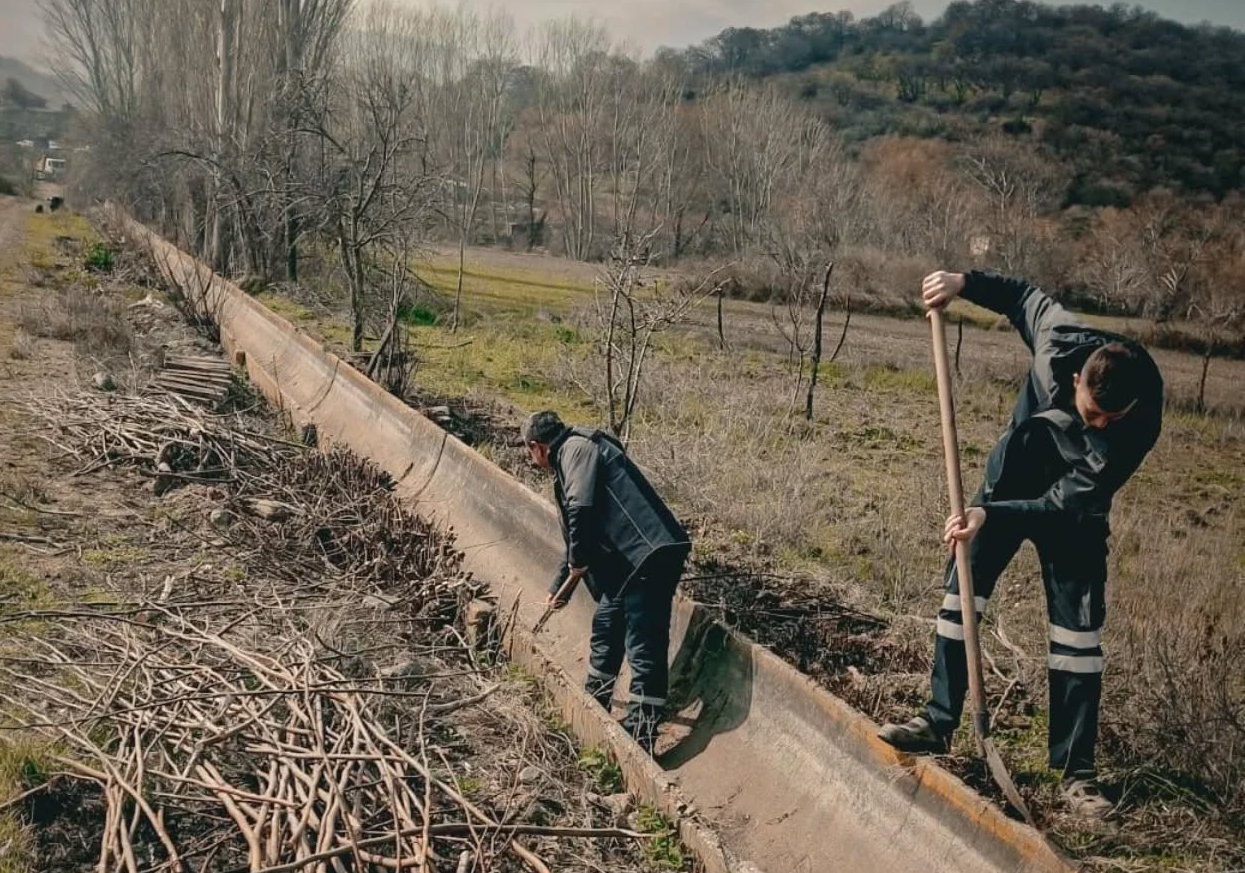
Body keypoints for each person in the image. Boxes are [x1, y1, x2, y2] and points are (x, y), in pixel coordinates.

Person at [878, 270, 1163, 818]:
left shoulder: (1137, 424)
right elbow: (1022, 298)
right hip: (1010, 481)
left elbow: (1063, 505)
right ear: (1078, 376)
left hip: (1074, 510)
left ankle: (1076, 774)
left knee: (1078, 639)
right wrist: (961, 282)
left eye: (1110, 418)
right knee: (961, 598)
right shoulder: (1058, 339)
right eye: (1091, 411)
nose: (1099, 423)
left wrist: (988, 514)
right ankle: (939, 720)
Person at [521, 410, 691, 752]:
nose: (532, 459)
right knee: (607, 623)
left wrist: (579, 562)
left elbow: (580, 509)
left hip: (647, 554)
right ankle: (593, 705)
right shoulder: (572, 453)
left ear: (537, 447)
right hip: (627, 564)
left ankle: (640, 734)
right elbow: (575, 540)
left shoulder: (575, 450)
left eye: (529, 453)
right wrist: (558, 587)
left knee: (643, 643)